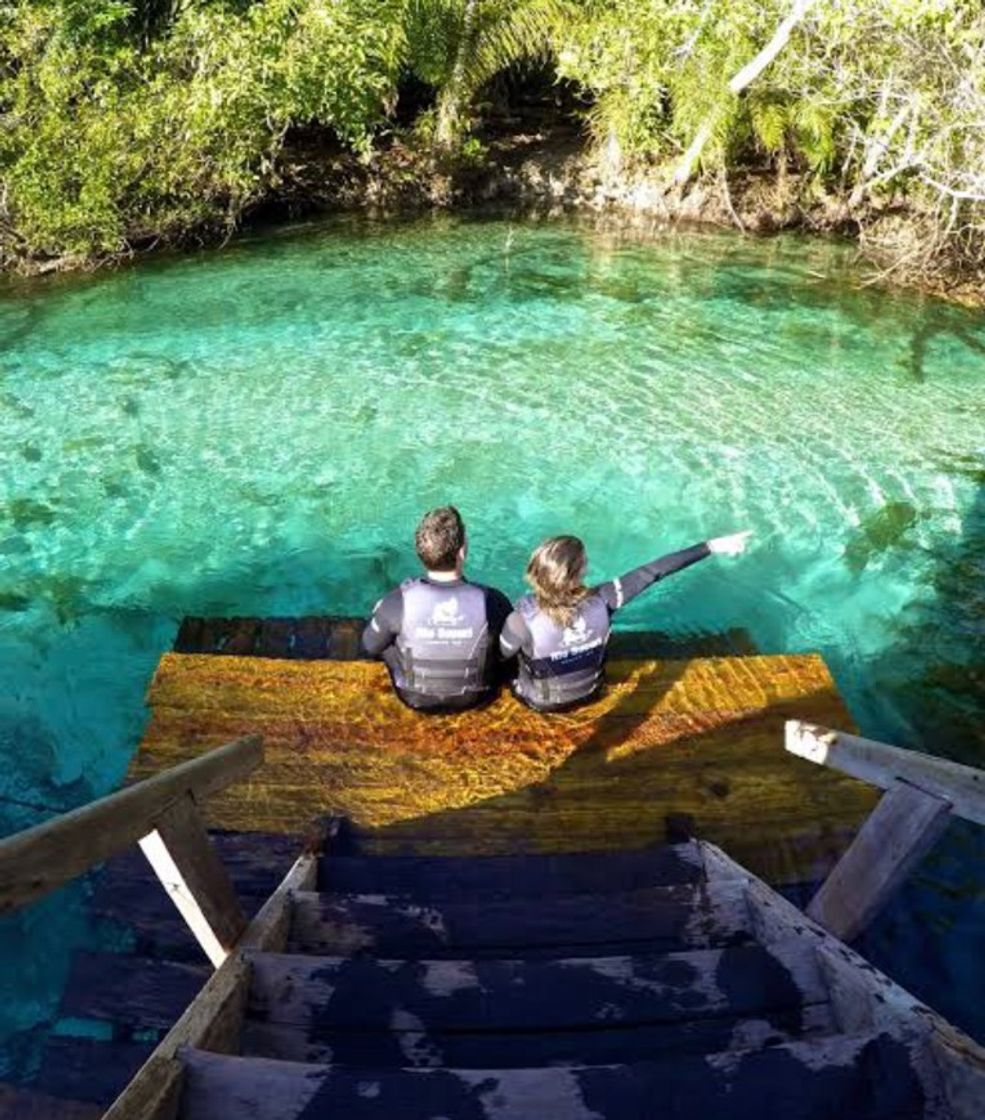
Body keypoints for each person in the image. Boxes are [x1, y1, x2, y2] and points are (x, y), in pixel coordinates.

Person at [500, 530, 752, 712]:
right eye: (585, 563)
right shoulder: (605, 599)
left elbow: (502, 655)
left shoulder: (521, 617)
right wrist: (711, 546)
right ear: (579, 574)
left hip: (539, 702)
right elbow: (653, 572)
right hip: (591, 692)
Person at [362, 506, 513, 712]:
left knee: (388, 635)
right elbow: (507, 651)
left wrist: (384, 612)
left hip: (413, 696)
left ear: (420, 552)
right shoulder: (492, 600)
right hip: (475, 696)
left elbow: (370, 646)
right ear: (462, 550)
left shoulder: (396, 601)